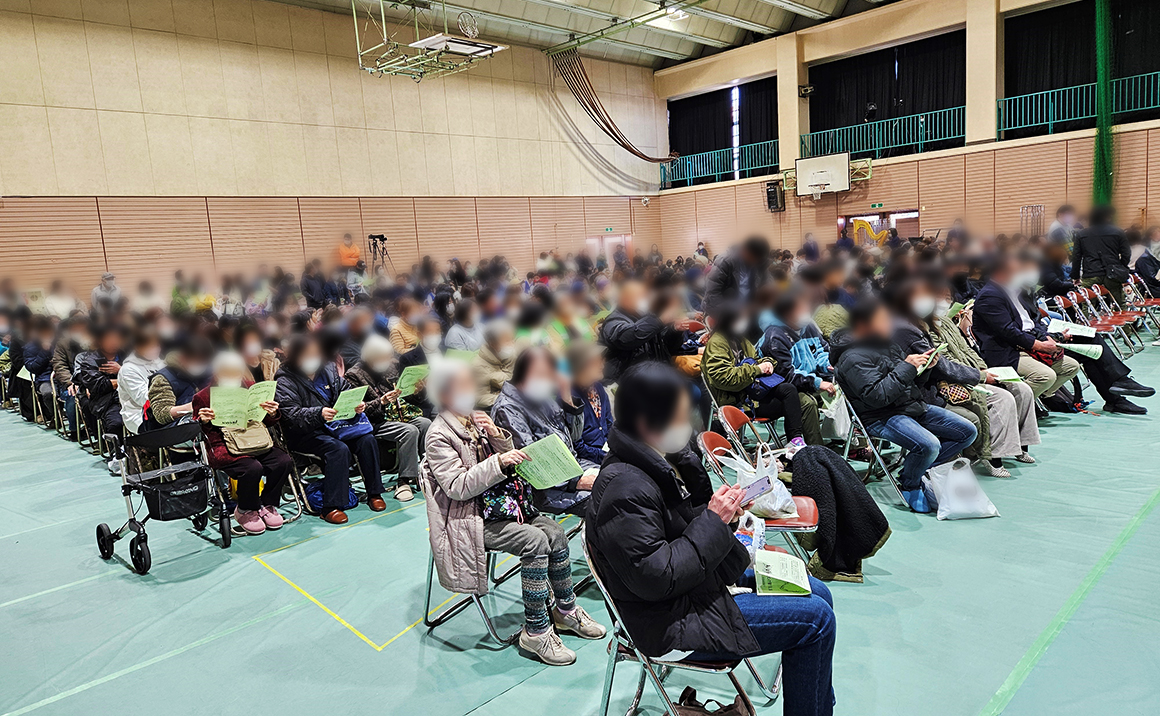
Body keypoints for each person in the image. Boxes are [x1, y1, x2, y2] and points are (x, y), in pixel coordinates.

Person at [586, 362, 836, 716]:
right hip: (667, 621)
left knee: (819, 592)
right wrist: (714, 521)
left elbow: (685, 534)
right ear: (644, 423)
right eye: (677, 417)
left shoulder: (662, 462)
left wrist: (725, 519)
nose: (686, 426)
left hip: (693, 588)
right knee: (816, 620)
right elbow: (656, 577)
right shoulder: (625, 487)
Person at [420, 359, 605, 667]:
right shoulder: (439, 435)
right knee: (535, 541)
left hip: (505, 506)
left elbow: (509, 457)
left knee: (556, 533)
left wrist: (495, 434)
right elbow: (457, 487)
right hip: (470, 519)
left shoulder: (473, 421)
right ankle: (536, 630)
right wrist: (498, 462)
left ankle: (565, 610)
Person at [830, 298, 977, 513]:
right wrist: (907, 367)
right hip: (879, 416)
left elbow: (912, 383)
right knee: (929, 445)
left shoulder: (887, 344)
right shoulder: (851, 357)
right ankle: (910, 483)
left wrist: (925, 367)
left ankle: (915, 470)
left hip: (909, 406)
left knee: (967, 431)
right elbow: (877, 396)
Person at [275, 333, 382, 524]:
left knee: (367, 439)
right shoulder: (284, 380)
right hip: (305, 433)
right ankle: (331, 507)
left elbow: (345, 390)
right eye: (307, 354)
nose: (313, 358)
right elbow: (291, 416)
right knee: (337, 449)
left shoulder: (328, 370)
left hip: (336, 426)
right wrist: (319, 413)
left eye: (316, 354)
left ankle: (374, 493)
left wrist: (356, 404)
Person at [193, 351, 291, 535]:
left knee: (283, 461)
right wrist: (203, 421)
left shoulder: (252, 387)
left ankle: (268, 504)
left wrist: (271, 413)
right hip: (222, 444)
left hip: (254, 438)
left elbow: (267, 421)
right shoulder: (203, 396)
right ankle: (246, 509)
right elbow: (198, 431)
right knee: (252, 468)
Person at [491, 346, 597, 515]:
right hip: (546, 489)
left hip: (572, 467)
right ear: (522, 373)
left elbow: (575, 437)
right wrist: (576, 482)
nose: (546, 380)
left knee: (620, 477)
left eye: (549, 375)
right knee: (608, 500)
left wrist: (567, 397)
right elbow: (531, 463)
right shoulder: (507, 409)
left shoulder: (542, 397)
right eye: (540, 374)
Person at [702, 302, 819, 448]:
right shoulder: (717, 343)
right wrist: (757, 369)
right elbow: (724, 378)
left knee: (789, 389)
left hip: (753, 392)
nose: (745, 321)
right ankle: (799, 444)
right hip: (739, 402)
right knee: (800, 402)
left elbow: (756, 358)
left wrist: (768, 362)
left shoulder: (740, 339)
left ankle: (795, 440)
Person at [972, 252, 1082, 400]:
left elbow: (1031, 322)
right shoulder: (989, 295)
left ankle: (1034, 399)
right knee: (1045, 376)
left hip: (1027, 344)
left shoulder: (1015, 291)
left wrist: (1049, 339)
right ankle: (1015, 406)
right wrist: (1040, 346)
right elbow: (1008, 331)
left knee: (1071, 367)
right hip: (1007, 351)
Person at [345, 334, 431, 502]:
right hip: (373, 421)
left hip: (396, 415)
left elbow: (403, 396)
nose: (388, 360)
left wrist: (417, 391)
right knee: (409, 431)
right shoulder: (353, 375)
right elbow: (355, 410)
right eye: (383, 357)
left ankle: (427, 472)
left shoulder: (390, 368)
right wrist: (381, 402)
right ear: (372, 357)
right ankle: (404, 481)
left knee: (425, 423)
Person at [599, 279, 688, 383]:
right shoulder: (613, 320)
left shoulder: (647, 317)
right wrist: (659, 321)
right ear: (625, 299)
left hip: (656, 375)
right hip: (630, 382)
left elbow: (668, 347)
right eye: (639, 296)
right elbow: (629, 337)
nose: (645, 299)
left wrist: (675, 330)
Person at [74, 324, 128, 471]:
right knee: (116, 423)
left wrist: (121, 370)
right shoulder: (89, 361)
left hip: (131, 397)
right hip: (107, 402)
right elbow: (98, 386)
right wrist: (124, 378)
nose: (114, 342)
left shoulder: (127, 355)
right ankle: (118, 455)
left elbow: (142, 376)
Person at [142, 336, 215, 431]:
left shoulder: (208, 373)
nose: (200, 365)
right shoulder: (163, 378)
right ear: (182, 358)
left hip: (204, 427)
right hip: (173, 431)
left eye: (203, 362)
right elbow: (162, 414)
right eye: (196, 361)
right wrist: (195, 405)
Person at [567, 341, 612, 467]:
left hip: (608, 452)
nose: (602, 364)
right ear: (581, 367)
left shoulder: (598, 388)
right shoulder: (569, 398)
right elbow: (576, 445)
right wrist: (605, 456)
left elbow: (609, 424)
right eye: (595, 362)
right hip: (588, 462)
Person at [1074, 204, 1132, 304]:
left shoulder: (1082, 234)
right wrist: (1120, 266)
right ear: (1107, 217)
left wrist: (1075, 275)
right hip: (1112, 273)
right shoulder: (1118, 232)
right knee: (1119, 304)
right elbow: (1126, 253)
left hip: (1090, 272)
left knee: (1088, 305)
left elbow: (1076, 256)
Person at [703, 236, 771, 314]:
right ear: (745, 251)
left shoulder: (759, 262)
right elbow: (713, 294)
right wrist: (728, 316)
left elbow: (768, 282)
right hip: (723, 310)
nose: (755, 262)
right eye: (753, 258)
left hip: (747, 310)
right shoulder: (725, 261)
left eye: (758, 260)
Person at [117, 329, 165, 434]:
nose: (155, 349)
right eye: (150, 346)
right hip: (140, 416)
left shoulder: (160, 363)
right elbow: (144, 399)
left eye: (157, 345)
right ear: (137, 347)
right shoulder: (128, 369)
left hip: (165, 408)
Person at [51, 316, 89, 436]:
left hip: (90, 379)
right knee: (72, 395)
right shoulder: (62, 344)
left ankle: (94, 428)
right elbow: (59, 366)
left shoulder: (94, 341)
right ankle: (74, 429)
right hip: (69, 381)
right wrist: (71, 382)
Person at [472, 319, 516, 409]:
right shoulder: (478, 366)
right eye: (506, 341)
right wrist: (509, 400)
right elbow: (480, 397)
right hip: (495, 409)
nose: (511, 344)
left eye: (512, 340)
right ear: (492, 343)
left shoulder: (512, 357)